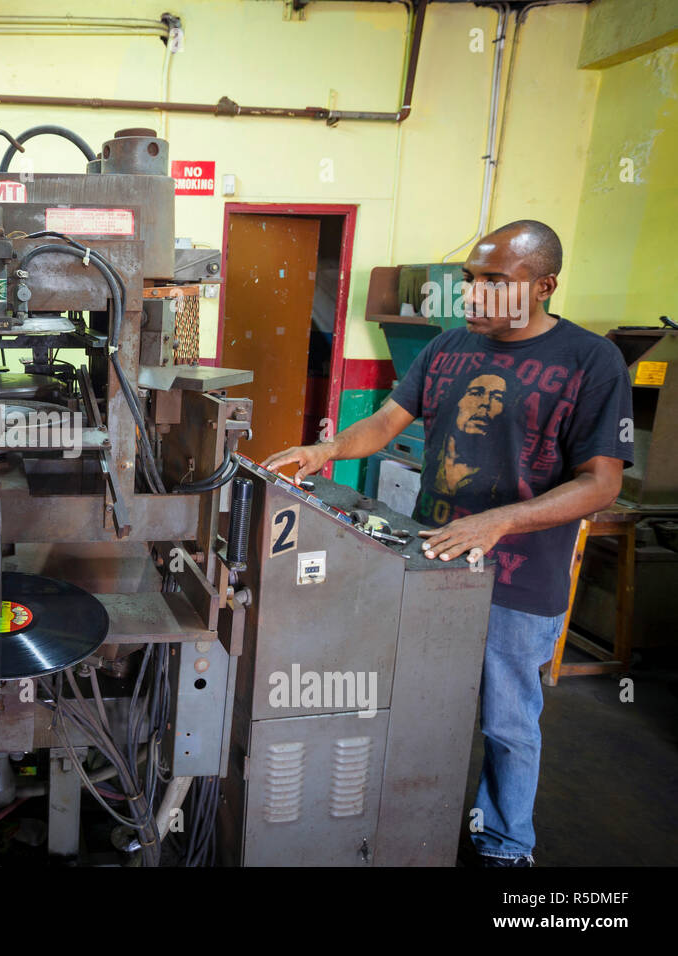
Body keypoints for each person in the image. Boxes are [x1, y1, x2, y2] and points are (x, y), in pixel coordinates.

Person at [261, 220, 633, 866]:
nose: (474, 295)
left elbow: (600, 483)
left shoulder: (589, 361)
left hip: (518, 578)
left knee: (506, 722)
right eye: (469, 280)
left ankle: (505, 842)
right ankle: (406, 819)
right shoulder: (448, 348)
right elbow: (384, 421)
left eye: (496, 281)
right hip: (427, 563)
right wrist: (326, 449)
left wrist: (499, 522)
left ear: (544, 286)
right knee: (411, 704)